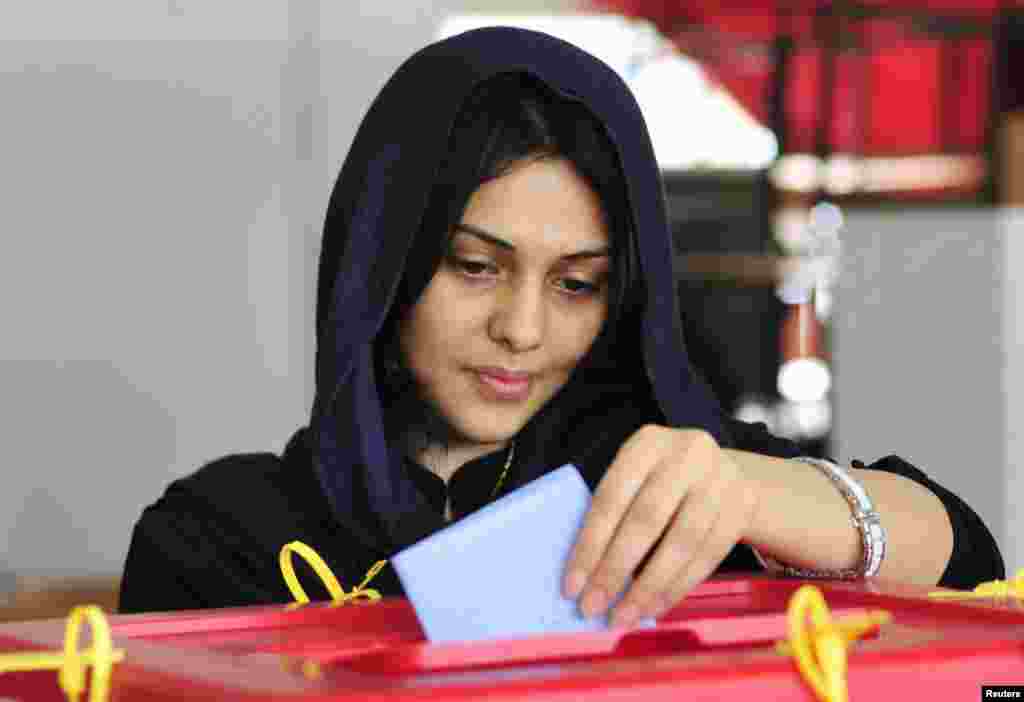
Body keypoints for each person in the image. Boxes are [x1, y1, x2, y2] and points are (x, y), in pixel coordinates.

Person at [119, 26, 1004, 623]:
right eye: (475, 266)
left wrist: (753, 492)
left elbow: (968, 562)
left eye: (578, 283)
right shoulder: (220, 538)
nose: (522, 328)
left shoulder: (659, 487)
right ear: (383, 260)